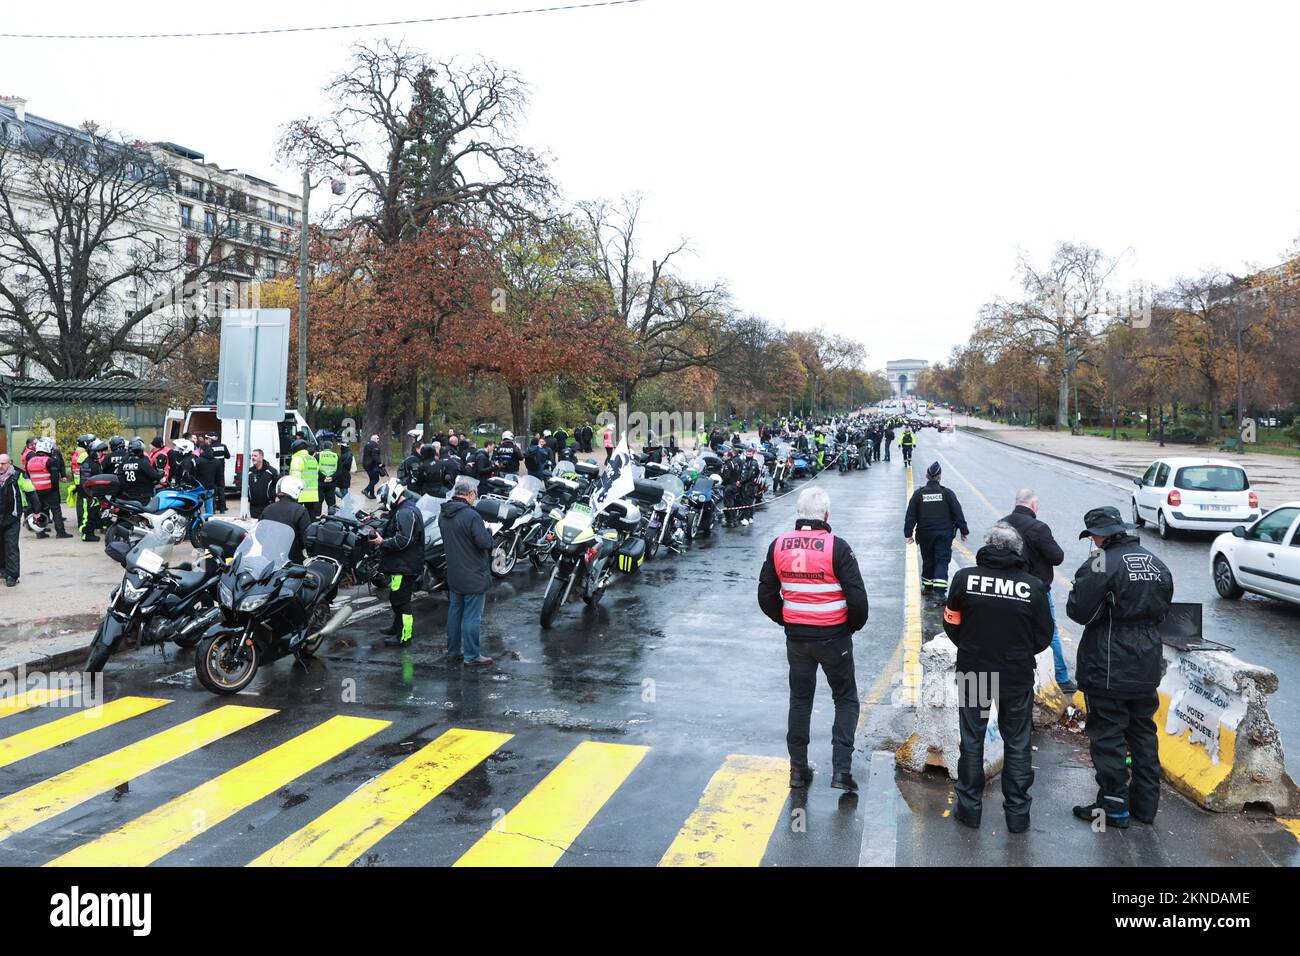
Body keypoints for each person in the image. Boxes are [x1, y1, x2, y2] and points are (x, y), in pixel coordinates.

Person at [1067, 506, 1173, 830]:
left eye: (1093, 537)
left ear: (1100, 535)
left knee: (1109, 733)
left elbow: (1079, 611)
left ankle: (1113, 808)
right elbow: (1164, 610)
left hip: (1109, 664)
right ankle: (1145, 805)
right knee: (1143, 731)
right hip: (1147, 663)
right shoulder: (1156, 563)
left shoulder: (1101, 563)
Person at [943, 522, 1054, 832]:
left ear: (988, 546)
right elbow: (1044, 636)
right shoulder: (1032, 587)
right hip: (1016, 675)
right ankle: (1017, 816)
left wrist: (971, 646)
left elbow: (951, 623)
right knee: (1017, 743)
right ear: (1017, 551)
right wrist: (1017, 652)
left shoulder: (965, 579)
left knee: (972, 738)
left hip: (975, 670)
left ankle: (969, 810)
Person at [758, 486, 869, 792]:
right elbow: (858, 601)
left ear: (798, 513)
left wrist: (787, 619)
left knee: (800, 700)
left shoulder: (778, 545)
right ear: (826, 515)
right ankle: (841, 772)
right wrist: (850, 627)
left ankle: (797, 770)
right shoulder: (838, 547)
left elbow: (765, 594)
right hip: (834, 636)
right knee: (845, 699)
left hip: (797, 638)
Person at [1001, 488, 1074, 692]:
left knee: (1012, 631)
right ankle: (1061, 677)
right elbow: (1056, 557)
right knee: (1049, 632)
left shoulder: (1002, 524)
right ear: (1033, 505)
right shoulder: (1039, 528)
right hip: (1037, 590)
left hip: (1007, 588)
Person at [437, 476, 495, 666]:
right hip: (473, 574)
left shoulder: (443, 514)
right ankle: (472, 656)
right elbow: (484, 543)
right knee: (471, 616)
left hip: (454, 573)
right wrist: (489, 531)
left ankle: (453, 652)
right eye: (474, 495)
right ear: (469, 495)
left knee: (454, 614)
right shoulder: (471, 516)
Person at [903, 461, 969, 596]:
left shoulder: (918, 494)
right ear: (940, 477)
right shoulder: (947, 493)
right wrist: (963, 531)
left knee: (928, 559)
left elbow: (910, 515)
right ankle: (939, 593)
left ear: (927, 476)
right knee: (942, 561)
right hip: (944, 534)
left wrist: (908, 533)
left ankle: (927, 588)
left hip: (925, 534)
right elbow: (958, 512)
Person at [374, 482, 425, 646]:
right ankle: (396, 627)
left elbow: (403, 540)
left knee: (402, 602)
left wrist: (382, 542)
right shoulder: (402, 509)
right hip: (399, 565)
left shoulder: (405, 512)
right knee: (396, 598)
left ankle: (405, 636)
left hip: (405, 566)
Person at [25, 439, 71, 539]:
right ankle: (60, 532)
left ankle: (40, 532)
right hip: (49, 489)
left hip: (36, 490)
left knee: (40, 510)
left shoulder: (30, 461)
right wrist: (54, 489)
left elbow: (28, 475)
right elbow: (54, 477)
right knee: (56, 510)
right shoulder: (50, 461)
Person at [260, 475, 311, 562]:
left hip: (268, 558)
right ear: (295, 490)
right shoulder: (300, 510)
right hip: (292, 558)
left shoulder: (268, 509)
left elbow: (259, 534)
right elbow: (306, 537)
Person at [118, 438, 163, 505]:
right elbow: (154, 476)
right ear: (140, 450)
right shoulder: (143, 463)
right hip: (143, 496)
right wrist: (162, 473)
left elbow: (119, 476)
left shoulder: (123, 463)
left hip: (127, 495)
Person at [0, 454, 20, 586]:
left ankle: (12, 575)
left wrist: (36, 510)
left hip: (12, 517)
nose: (0, 466)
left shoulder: (18, 476)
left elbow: (30, 491)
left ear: (10, 463)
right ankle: (2, 570)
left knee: (11, 546)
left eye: (3, 463)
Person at [288, 439, 321, 520]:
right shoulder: (312, 459)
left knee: (296, 516)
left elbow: (295, 479)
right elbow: (315, 475)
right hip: (312, 494)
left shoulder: (297, 459)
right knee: (311, 517)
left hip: (300, 494)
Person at [193, 437, 223, 517]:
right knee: (209, 506)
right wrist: (218, 486)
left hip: (200, 488)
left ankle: (195, 522)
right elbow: (219, 476)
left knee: (196, 506)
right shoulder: (217, 462)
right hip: (211, 487)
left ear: (202, 450)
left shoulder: (198, 461)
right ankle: (209, 521)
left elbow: (195, 474)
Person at [246, 448, 279, 519]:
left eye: (255, 456)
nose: (253, 458)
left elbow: (279, 484)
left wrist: (272, 494)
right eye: (252, 456)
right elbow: (244, 486)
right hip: (253, 507)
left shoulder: (271, 471)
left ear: (261, 457)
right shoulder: (249, 472)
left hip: (268, 506)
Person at [207, 434, 230, 513]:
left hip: (212, 472)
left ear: (211, 439)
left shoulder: (210, 447)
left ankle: (213, 509)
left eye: (208, 438)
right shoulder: (223, 446)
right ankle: (222, 509)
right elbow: (228, 456)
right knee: (221, 489)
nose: (208, 440)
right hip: (221, 471)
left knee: (213, 490)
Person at [317, 435, 340, 512]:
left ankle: (317, 518)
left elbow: (315, 469)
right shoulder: (336, 456)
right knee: (331, 503)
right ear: (331, 447)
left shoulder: (318, 455)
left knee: (318, 502)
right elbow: (339, 471)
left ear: (323, 447)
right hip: (331, 483)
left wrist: (324, 478)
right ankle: (331, 519)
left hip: (320, 482)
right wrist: (332, 478)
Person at [362, 434, 383, 498]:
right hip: (372, 465)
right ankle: (366, 490)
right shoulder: (374, 445)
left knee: (372, 479)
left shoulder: (367, 444)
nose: (378, 440)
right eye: (377, 438)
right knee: (376, 479)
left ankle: (372, 494)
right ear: (373, 439)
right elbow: (375, 455)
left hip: (366, 465)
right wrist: (379, 463)